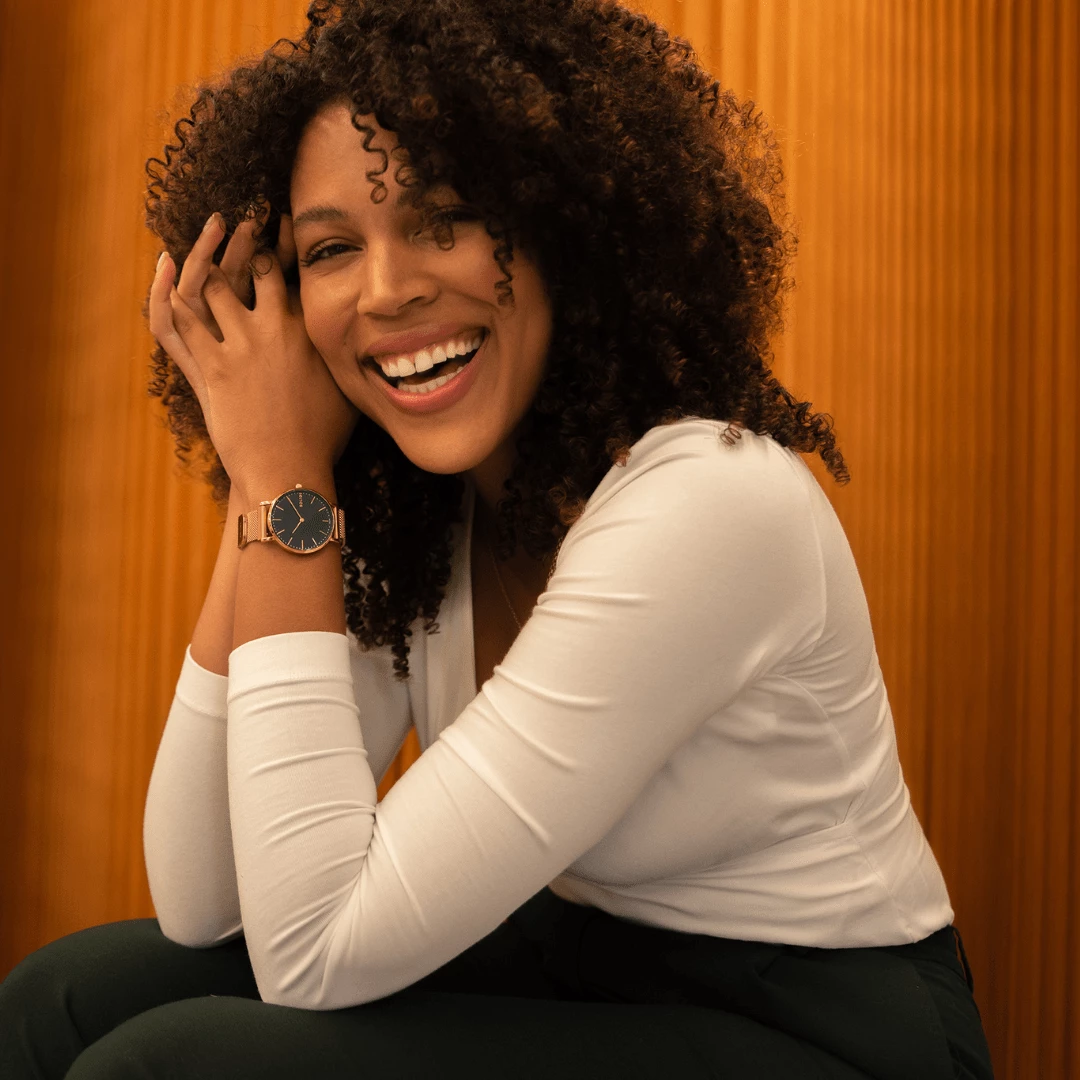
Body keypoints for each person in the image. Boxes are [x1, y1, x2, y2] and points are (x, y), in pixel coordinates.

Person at [0, 0, 995, 1076]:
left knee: (173, 1065)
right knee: (59, 1001)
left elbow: (311, 952)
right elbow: (205, 897)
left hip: (820, 1029)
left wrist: (284, 477)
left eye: (446, 217)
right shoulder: (419, 511)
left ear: (567, 225)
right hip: (585, 962)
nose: (388, 289)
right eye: (330, 249)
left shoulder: (708, 502)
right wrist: (264, 473)